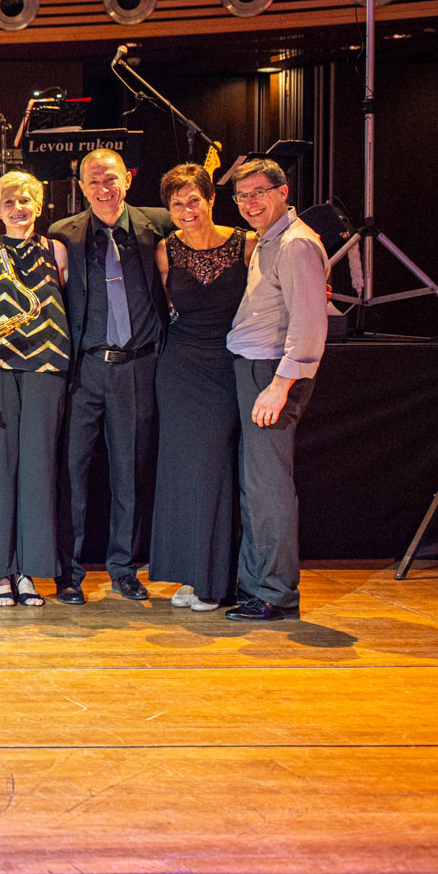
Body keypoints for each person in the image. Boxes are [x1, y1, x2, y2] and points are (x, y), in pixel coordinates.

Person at [47, 147, 174, 605]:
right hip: (82, 370)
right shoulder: (62, 233)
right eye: (94, 181)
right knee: (71, 473)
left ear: (128, 180)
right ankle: (69, 573)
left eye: (111, 179)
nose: (104, 188)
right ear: (81, 187)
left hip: (137, 367)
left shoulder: (160, 224)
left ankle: (124, 569)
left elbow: (215, 237)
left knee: (131, 473)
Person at [145, 163, 253, 613]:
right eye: (177, 204)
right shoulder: (165, 250)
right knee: (181, 471)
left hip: (228, 364)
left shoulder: (247, 243)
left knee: (215, 469)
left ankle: (213, 579)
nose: (186, 210)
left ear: (211, 199)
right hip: (180, 368)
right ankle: (190, 573)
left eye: (194, 200)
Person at [224, 159, 328, 622]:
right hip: (256, 368)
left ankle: (275, 593)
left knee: (268, 488)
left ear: (283, 192)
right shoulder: (270, 240)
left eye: (259, 192)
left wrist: (279, 386)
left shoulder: (296, 243)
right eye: (242, 196)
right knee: (256, 486)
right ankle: (256, 586)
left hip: (271, 373)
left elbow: (308, 327)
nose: (250, 203)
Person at [0, 171, 71, 608]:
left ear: (39, 206)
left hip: (48, 366)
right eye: (9, 201)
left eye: (26, 200)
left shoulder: (55, 249)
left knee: (38, 470)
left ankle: (29, 571)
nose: (18, 208)